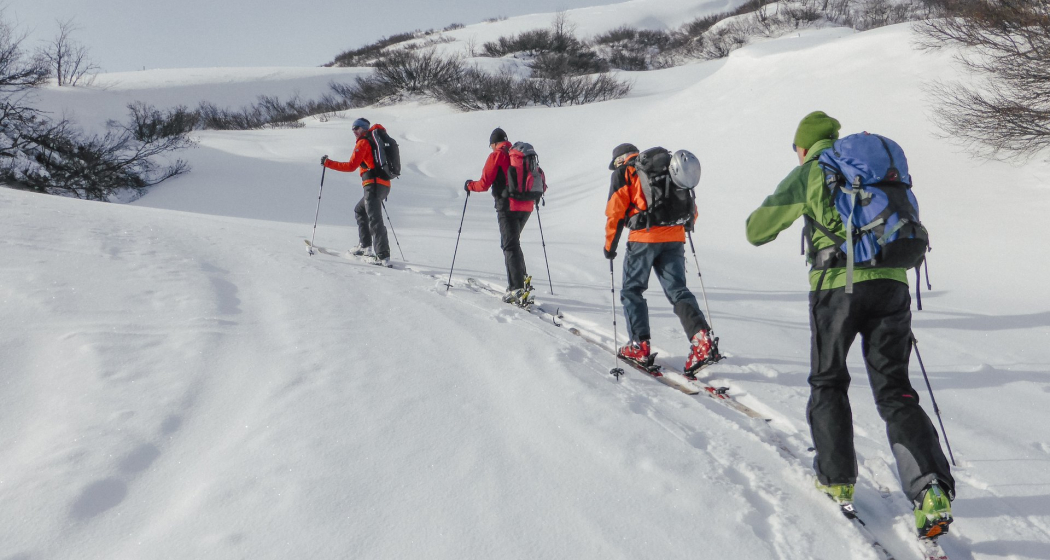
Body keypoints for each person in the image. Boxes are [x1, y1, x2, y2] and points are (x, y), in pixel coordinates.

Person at [744, 111, 955, 539]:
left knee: (829, 380)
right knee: (895, 389)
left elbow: (756, 231)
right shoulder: (874, 170)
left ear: (803, 145)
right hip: (892, 283)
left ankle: (837, 478)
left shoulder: (811, 171)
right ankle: (931, 487)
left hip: (837, 287)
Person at [603, 143, 718, 376]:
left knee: (632, 290)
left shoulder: (625, 172)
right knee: (678, 290)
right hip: (675, 237)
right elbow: (690, 205)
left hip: (643, 239)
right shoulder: (666, 166)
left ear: (620, 159)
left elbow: (615, 212)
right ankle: (702, 340)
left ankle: (639, 346)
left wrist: (609, 247)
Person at [465, 128, 539, 304]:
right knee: (513, 243)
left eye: (491, 145)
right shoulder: (519, 154)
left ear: (494, 143)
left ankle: (516, 289)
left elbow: (484, 184)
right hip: (527, 205)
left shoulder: (497, 155)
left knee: (509, 245)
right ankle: (522, 281)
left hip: (508, 206)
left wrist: (469, 185)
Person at [321, 117, 392, 267]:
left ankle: (382, 256)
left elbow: (351, 166)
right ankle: (365, 246)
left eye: (357, 128)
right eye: (353, 128)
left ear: (364, 128)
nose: (354, 130)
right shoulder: (375, 142)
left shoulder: (363, 142)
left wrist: (328, 163)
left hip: (373, 185)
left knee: (375, 219)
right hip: (383, 185)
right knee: (360, 210)